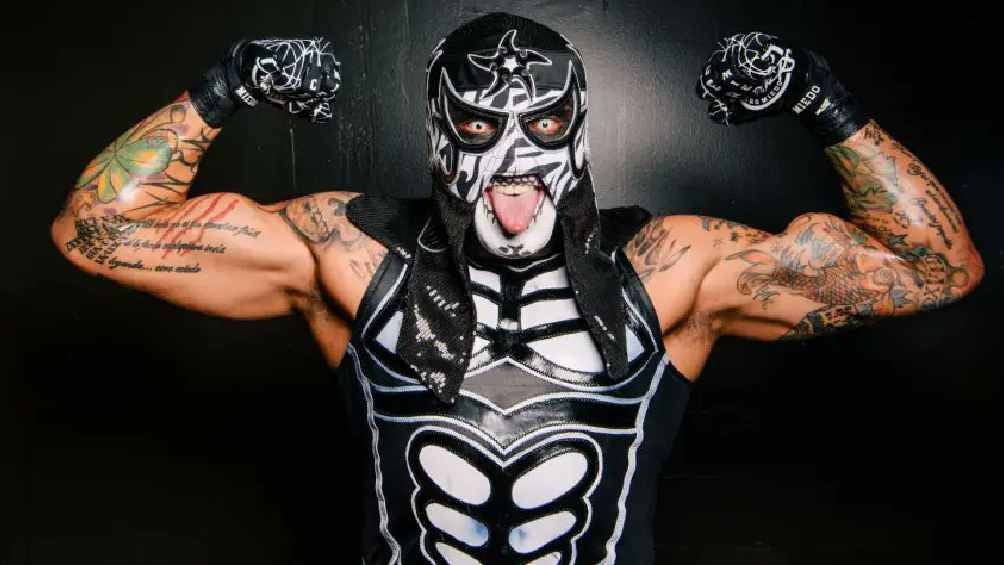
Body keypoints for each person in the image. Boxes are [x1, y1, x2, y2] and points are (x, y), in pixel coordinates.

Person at [50, 12, 983, 565]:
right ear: (437, 131)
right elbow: (97, 231)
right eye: (475, 124)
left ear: (578, 126)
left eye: (541, 123)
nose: (510, 155)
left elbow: (936, 266)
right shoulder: (351, 254)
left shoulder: (670, 269)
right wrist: (228, 84)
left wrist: (820, 97)